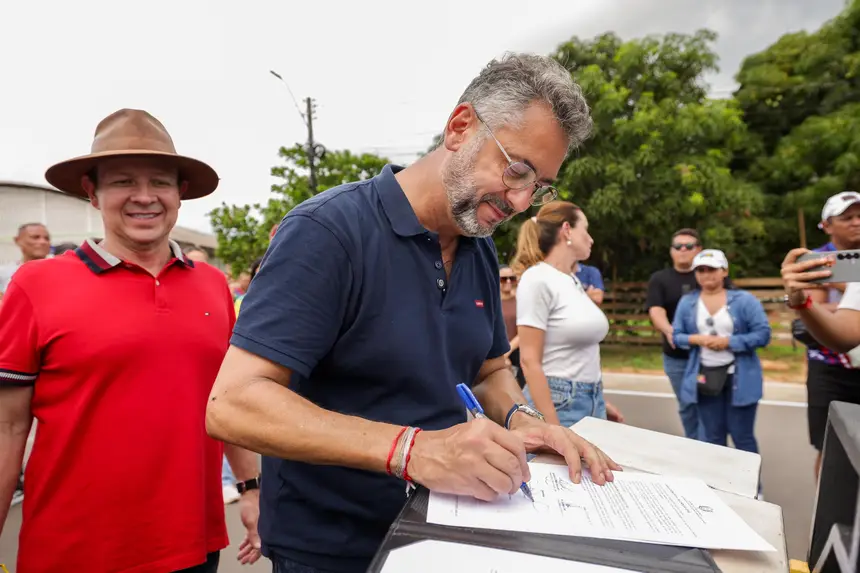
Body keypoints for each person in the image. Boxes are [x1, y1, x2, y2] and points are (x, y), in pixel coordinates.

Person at [206, 53, 619, 573]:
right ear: (460, 126)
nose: (518, 201)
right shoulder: (328, 232)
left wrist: (524, 419)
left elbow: (489, 369)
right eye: (516, 170)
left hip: (441, 533)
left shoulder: (478, 245)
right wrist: (412, 450)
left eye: (538, 187)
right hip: (334, 547)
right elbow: (232, 403)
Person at [0, 109, 261, 572]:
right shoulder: (34, 285)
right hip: (73, 551)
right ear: (92, 192)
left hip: (191, 547)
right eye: (123, 182)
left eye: (159, 182)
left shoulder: (211, 285)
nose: (144, 197)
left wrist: (250, 488)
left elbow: (226, 401)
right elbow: (7, 428)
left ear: (180, 192)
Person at [512, 204, 623, 428]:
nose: (591, 239)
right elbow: (529, 360)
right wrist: (553, 429)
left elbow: (579, 352)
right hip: (559, 402)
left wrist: (599, 400)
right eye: (586, 229)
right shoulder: (537, 278)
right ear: (566, 230)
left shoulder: (571, 280)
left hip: (591, 398)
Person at [780, 191, 860, 478]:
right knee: (829, 450)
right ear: (826, 225)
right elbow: (815, 310)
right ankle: (824, 519)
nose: (856, 222)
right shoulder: (816, 260)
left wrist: (840, 290)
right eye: (847, 217)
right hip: (830, 368)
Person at [671, 250, 770, 455]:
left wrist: (729, 342)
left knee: (742, 436)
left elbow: (762, 334)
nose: (706, 275)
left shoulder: (744, 300)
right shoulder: (687, 302)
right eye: (701, 270)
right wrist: (696, 339)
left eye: (712, 269)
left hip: (739, 378)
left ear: (724, 271)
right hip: (705, 376)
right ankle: (718, 486)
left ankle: (751, 486)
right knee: (713, 437)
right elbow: (676, 336)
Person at [646, 228, 704, 439]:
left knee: (712, 405)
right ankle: (696, 445)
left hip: (709, 354)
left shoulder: (708, 274)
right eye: (677, 246)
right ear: (671, 251)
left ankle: (714, 446)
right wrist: (671, 332)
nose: (682, 250)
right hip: (676, 355)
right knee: (688, 405)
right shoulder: (660, 279)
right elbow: (656, 310)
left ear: (699, 249)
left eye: (688, 246)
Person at [0, 223, 51, 296]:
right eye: (35, 237)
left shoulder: (60, 271)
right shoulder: (4, 274)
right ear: (17, 240)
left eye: (47, 238)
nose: (43, 242)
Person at [498, 264, 524, 387]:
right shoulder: (491, 302)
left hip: (517, 350)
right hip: (496, 349)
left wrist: (506, 353)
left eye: (511, 278)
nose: (508, 281)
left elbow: (523, 331)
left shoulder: (522, 300)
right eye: (503, 279)